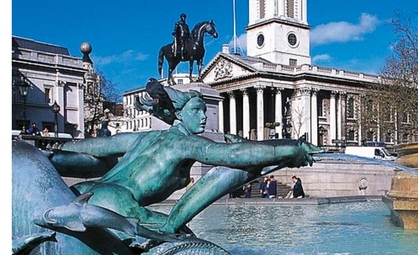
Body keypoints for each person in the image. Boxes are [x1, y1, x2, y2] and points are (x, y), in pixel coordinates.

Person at [48, 78, 317, 234]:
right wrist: (292, 148)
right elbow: (233, 154)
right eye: (196, 111)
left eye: (204, 111)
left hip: (82, 191)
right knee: (185, 239)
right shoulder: (186, 144)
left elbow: (86, 148)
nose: (203, 117)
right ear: (179, 113)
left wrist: (49, 153)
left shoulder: (141, 138)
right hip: (117, 205)